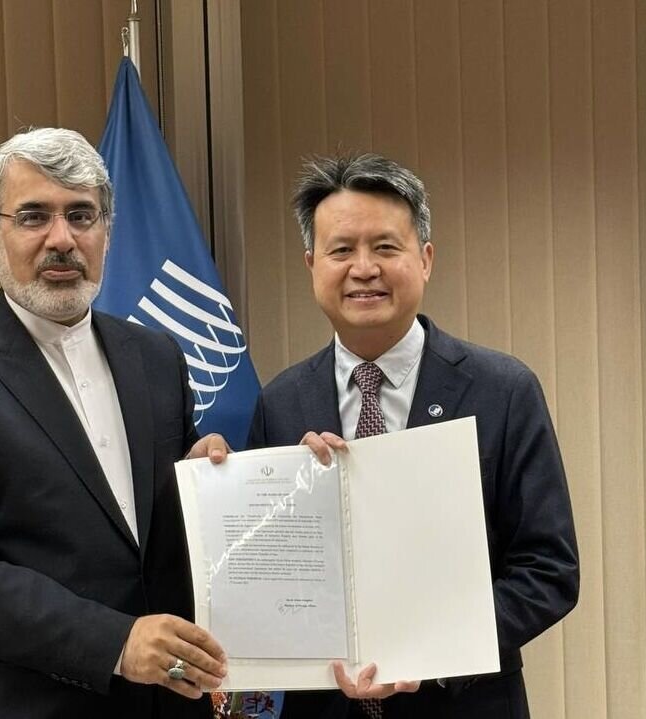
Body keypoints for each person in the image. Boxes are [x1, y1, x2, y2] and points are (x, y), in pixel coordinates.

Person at [0, 127, 229, 718]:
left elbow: (152, 537)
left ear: (106, 231)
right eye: (34, 216)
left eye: (81, 215)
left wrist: (211, 484)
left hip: (169, 702)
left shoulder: (157, 356)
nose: (62, 239)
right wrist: (116, 643)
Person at [247, 154, 579, 719]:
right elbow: (265, 575)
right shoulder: (281, 403)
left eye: (385, 247)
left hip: (464, 705)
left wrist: (433, 653)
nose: (364, 268)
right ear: (311, 265)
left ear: (425, 260)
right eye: (341, 250)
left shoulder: (503, 390)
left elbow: (549, 570)